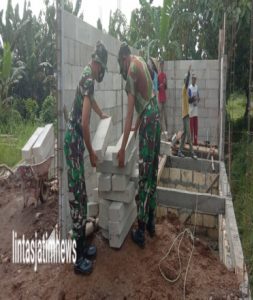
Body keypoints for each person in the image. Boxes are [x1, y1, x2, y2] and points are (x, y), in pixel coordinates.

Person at [64, 41, 108, 275]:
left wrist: (102, 114)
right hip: (74, 141)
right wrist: (92, 153)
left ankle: (81, 246)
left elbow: (90, 103)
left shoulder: (85, 73)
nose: (101, 73)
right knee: (78, 198)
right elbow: (84, 124)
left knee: (80, 195)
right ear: (99, 65)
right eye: (102, 69)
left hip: (74, 141)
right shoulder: (90, 78)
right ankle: (77, 256)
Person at [117, 42, 161, 248]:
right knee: (152, 172)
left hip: (148, 122)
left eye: (121, 65)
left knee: (143, 175)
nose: (123, 69)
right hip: (155, 115)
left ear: (124, 59)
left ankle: (141, 231)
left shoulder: (130, 73)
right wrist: (138, 124)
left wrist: (122, 149)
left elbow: (128, 114)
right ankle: (152, 222)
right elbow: (148, 98)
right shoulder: (141, 60)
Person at [178, 65, 197, 159]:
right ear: (185, 81)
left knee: (185, 133)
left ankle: (180, 151)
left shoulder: (185, 91)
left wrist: (193, 98)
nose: (187, 82)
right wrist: (188, 72)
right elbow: (187, 83)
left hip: (186, 114)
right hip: (185, 115)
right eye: (187, 80)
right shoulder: (184, 89)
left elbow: (188, 101)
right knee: (189, 134)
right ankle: (192, 153)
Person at [188, 73, 200, 146]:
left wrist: (198, 99)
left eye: (195, 79)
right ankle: (190, 141)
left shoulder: (197, 87)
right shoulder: (189, 88)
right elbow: (189, 100)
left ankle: (195, 141)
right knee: (191, 127)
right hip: (191, 110)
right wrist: (193, 98)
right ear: (191, 79)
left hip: (196, 109)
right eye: (193, 79)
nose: (194, 80)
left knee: (196, 126)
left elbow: (198, 97)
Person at [157, 60, 168, 133]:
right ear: (160, 66)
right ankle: (161, 129)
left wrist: (165, 83)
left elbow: (166, 87)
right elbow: (157, 87)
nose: (162, 66)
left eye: (163, 65)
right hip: (160, 97)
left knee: (165, 114)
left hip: (164, 97)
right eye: (161, 65)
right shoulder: (158, 76)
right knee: (160, 114)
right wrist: (160, 85)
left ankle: (166, 129)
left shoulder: (165, 75)